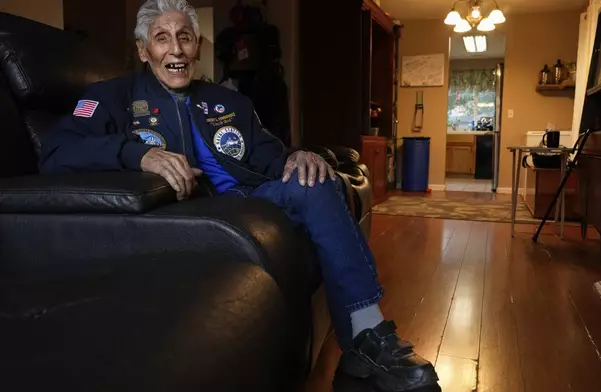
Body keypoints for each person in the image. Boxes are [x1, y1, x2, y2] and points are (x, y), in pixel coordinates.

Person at [39, 1, 441, 391]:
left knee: (317, 181)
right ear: (144, 50)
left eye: (185, 37)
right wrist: (140, 154)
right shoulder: (113, 97)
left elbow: (268, 153)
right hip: (195, 211)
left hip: (254, 196)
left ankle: (366, 339)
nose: (176, 49)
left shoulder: (228, 100)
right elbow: (56, 152)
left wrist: (297, 157)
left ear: (197, 46)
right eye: (162, 38)